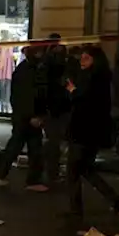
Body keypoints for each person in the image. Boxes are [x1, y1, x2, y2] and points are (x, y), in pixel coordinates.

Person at [66, 45, 119, 217]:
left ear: (95, 60)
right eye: (81, 58)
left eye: (86, 58)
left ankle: (75, 210)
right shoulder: (101, 77)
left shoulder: (92, 79)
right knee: (85, 169)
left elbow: (85, 102)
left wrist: (73, 91)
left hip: (83, 130)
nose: (82, 61)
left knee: (73, 171)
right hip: (92, 131)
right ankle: (115, 199)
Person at [0, 45, 48, 190]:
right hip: (27, 116)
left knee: (23, 146)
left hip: (25, 115)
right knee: (24, 146)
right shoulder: (28, 71)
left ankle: (5, 174)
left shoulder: (27, 69)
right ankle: (30, 179)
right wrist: (32, 115)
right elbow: (26, 96)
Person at [41, 34, 73, 185]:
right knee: (53, 142)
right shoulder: (49, 64)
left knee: (57, 141)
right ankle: (52, 172)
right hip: (53, 108)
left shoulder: (62, 62)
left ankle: (54, 170)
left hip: (61, 107)